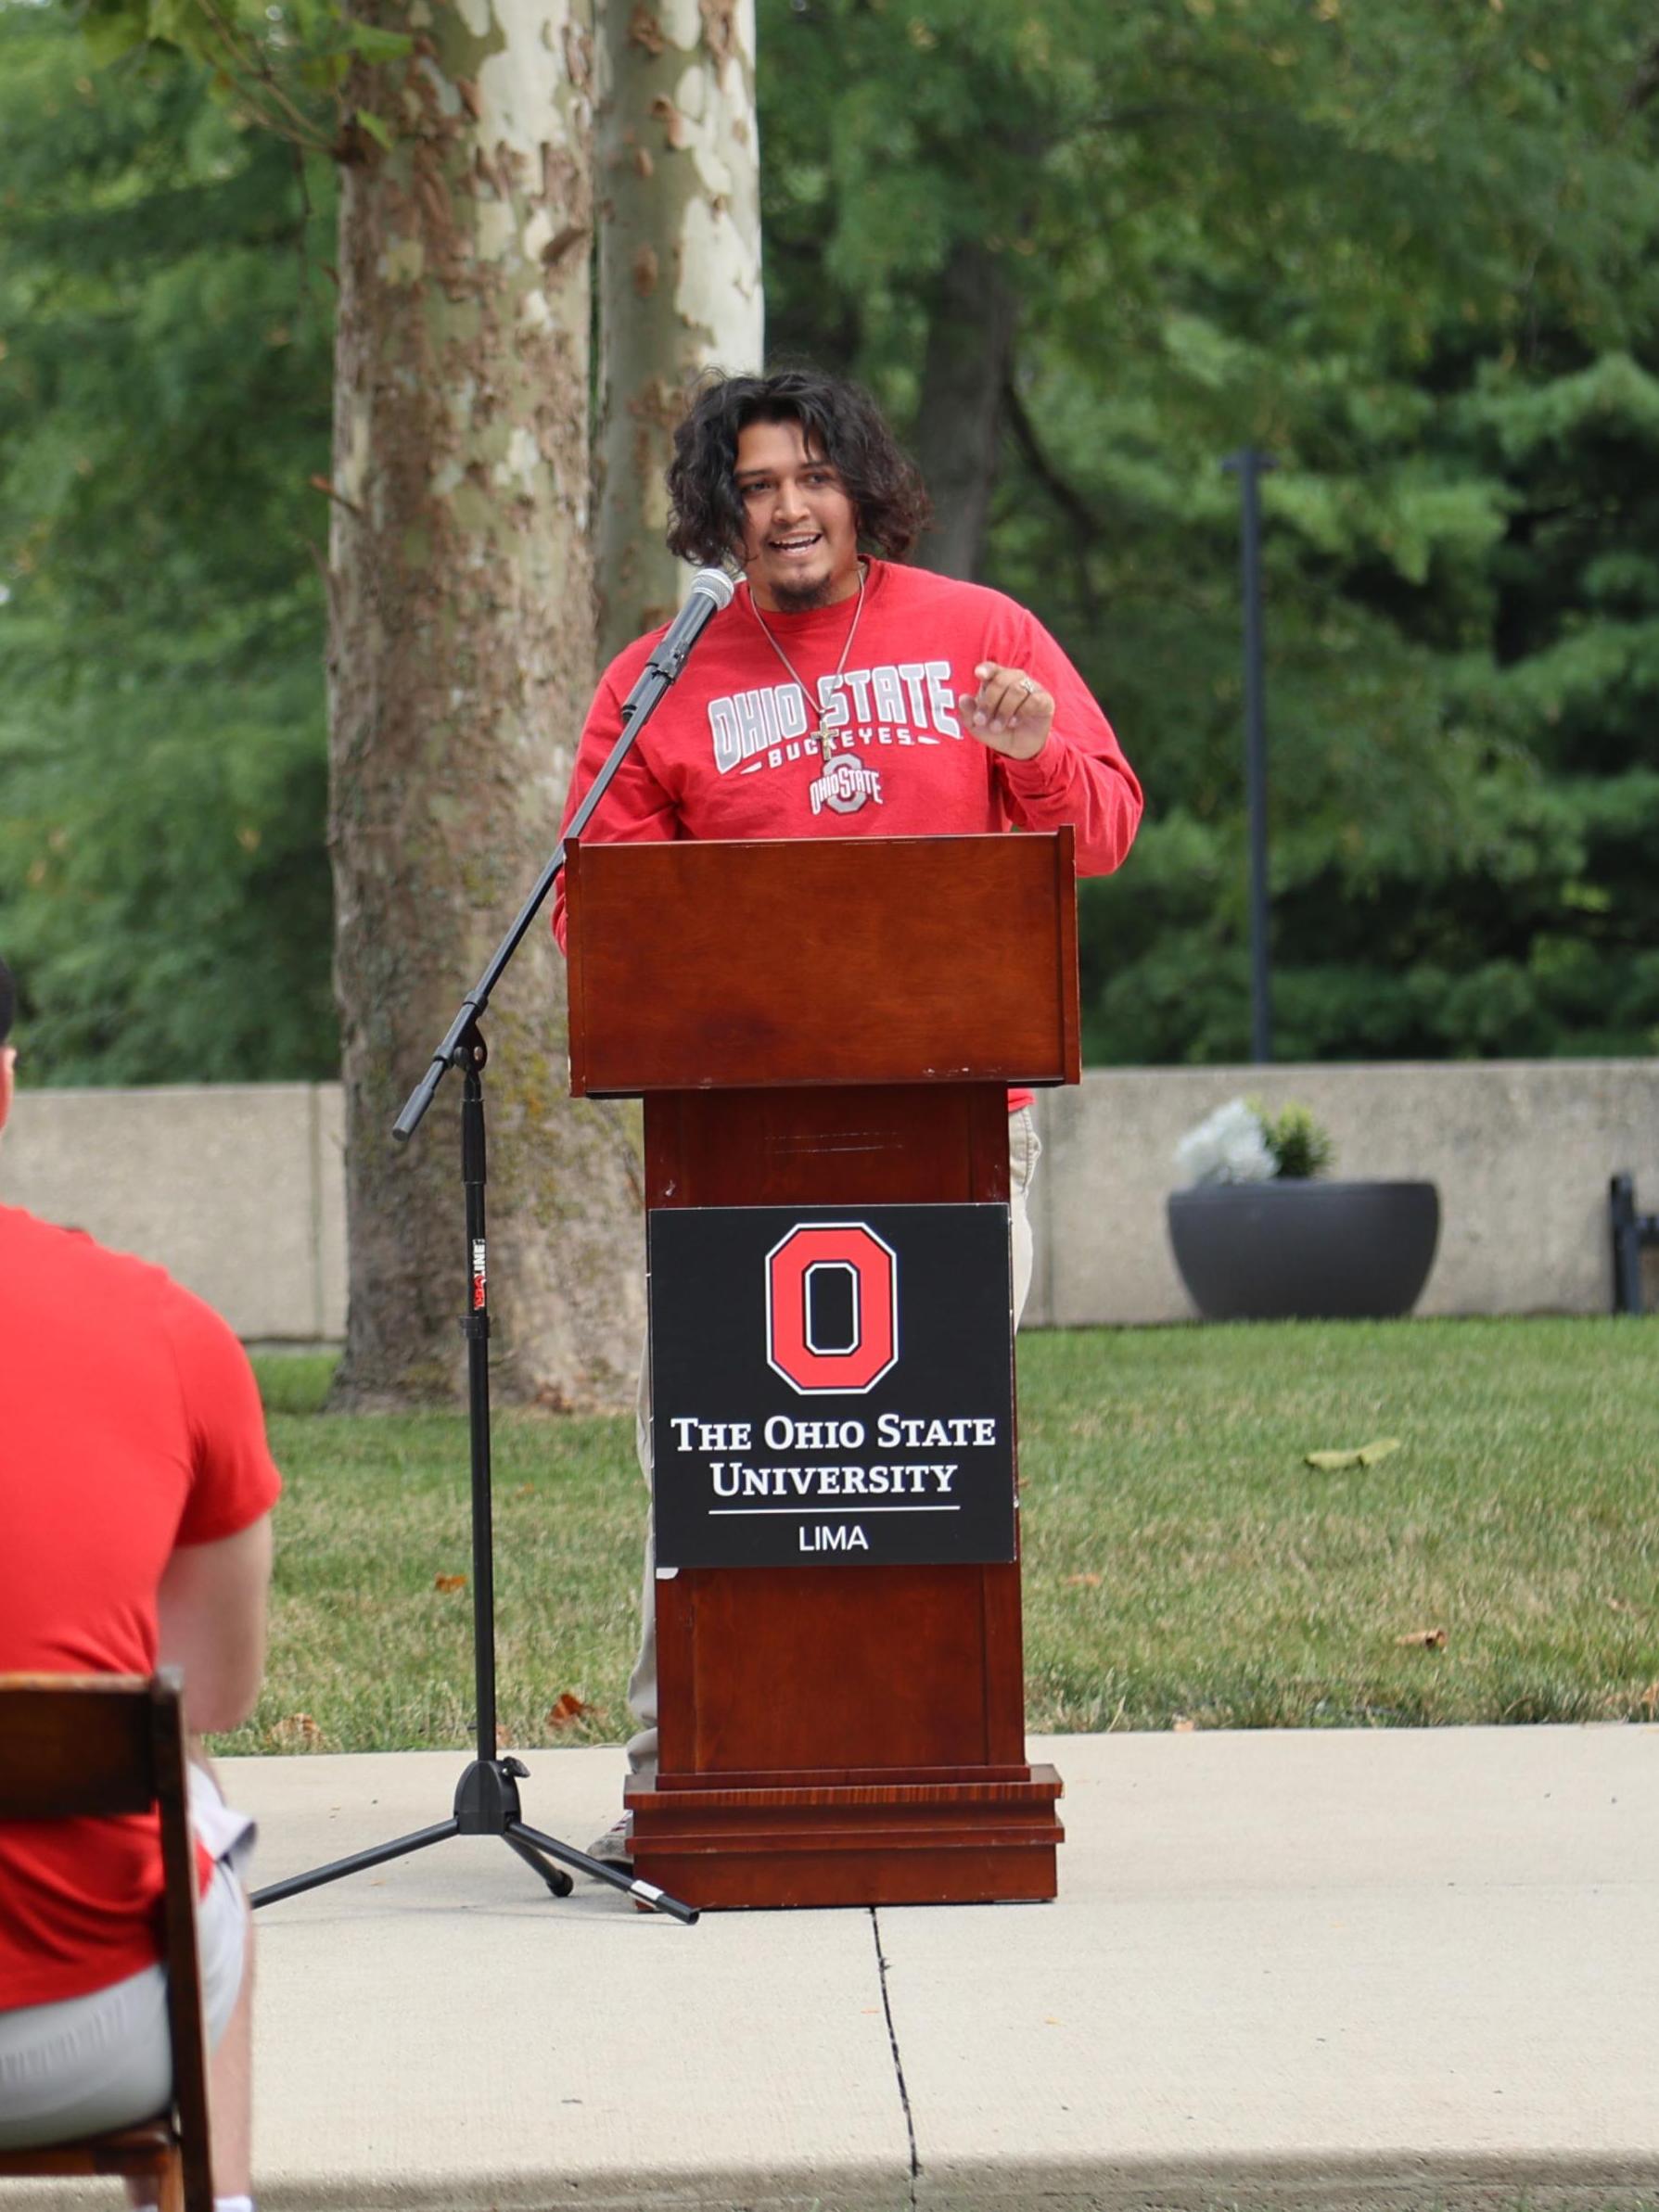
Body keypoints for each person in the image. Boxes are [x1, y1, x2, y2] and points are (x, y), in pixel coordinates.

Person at [552, 366, 1142, 1863]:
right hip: (725, 1149)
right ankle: (674, 1769)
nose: (787, 508)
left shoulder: (983, 637)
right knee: (708, 1454)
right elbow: (593, 907)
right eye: (754, 486)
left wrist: (1027, 754)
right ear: (717, 509)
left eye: (811, 476)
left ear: (860, 486)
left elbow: (1108, 828)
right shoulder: (660, 673)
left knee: (935, 1446)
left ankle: (936, 1760)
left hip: (954, 1126)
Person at [0, 956, 282, 2212]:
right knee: (199, 1791)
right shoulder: (165, 1328)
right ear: (3, 1087)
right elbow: (210, 1690)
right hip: (86, 2026)